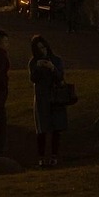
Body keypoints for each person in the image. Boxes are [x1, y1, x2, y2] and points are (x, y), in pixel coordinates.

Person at [28, 35, 67, 167]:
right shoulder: (33, 62)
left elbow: (60, 77)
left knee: (56, 128)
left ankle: (54, 156)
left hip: (56, 97)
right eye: (39, 48)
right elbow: (33, 79)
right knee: (42, 129)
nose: (42, 50)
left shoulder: (56, 60)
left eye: (43, 47)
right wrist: (38, 67)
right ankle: (41, 158)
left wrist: (52, 68)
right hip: (41, 98)